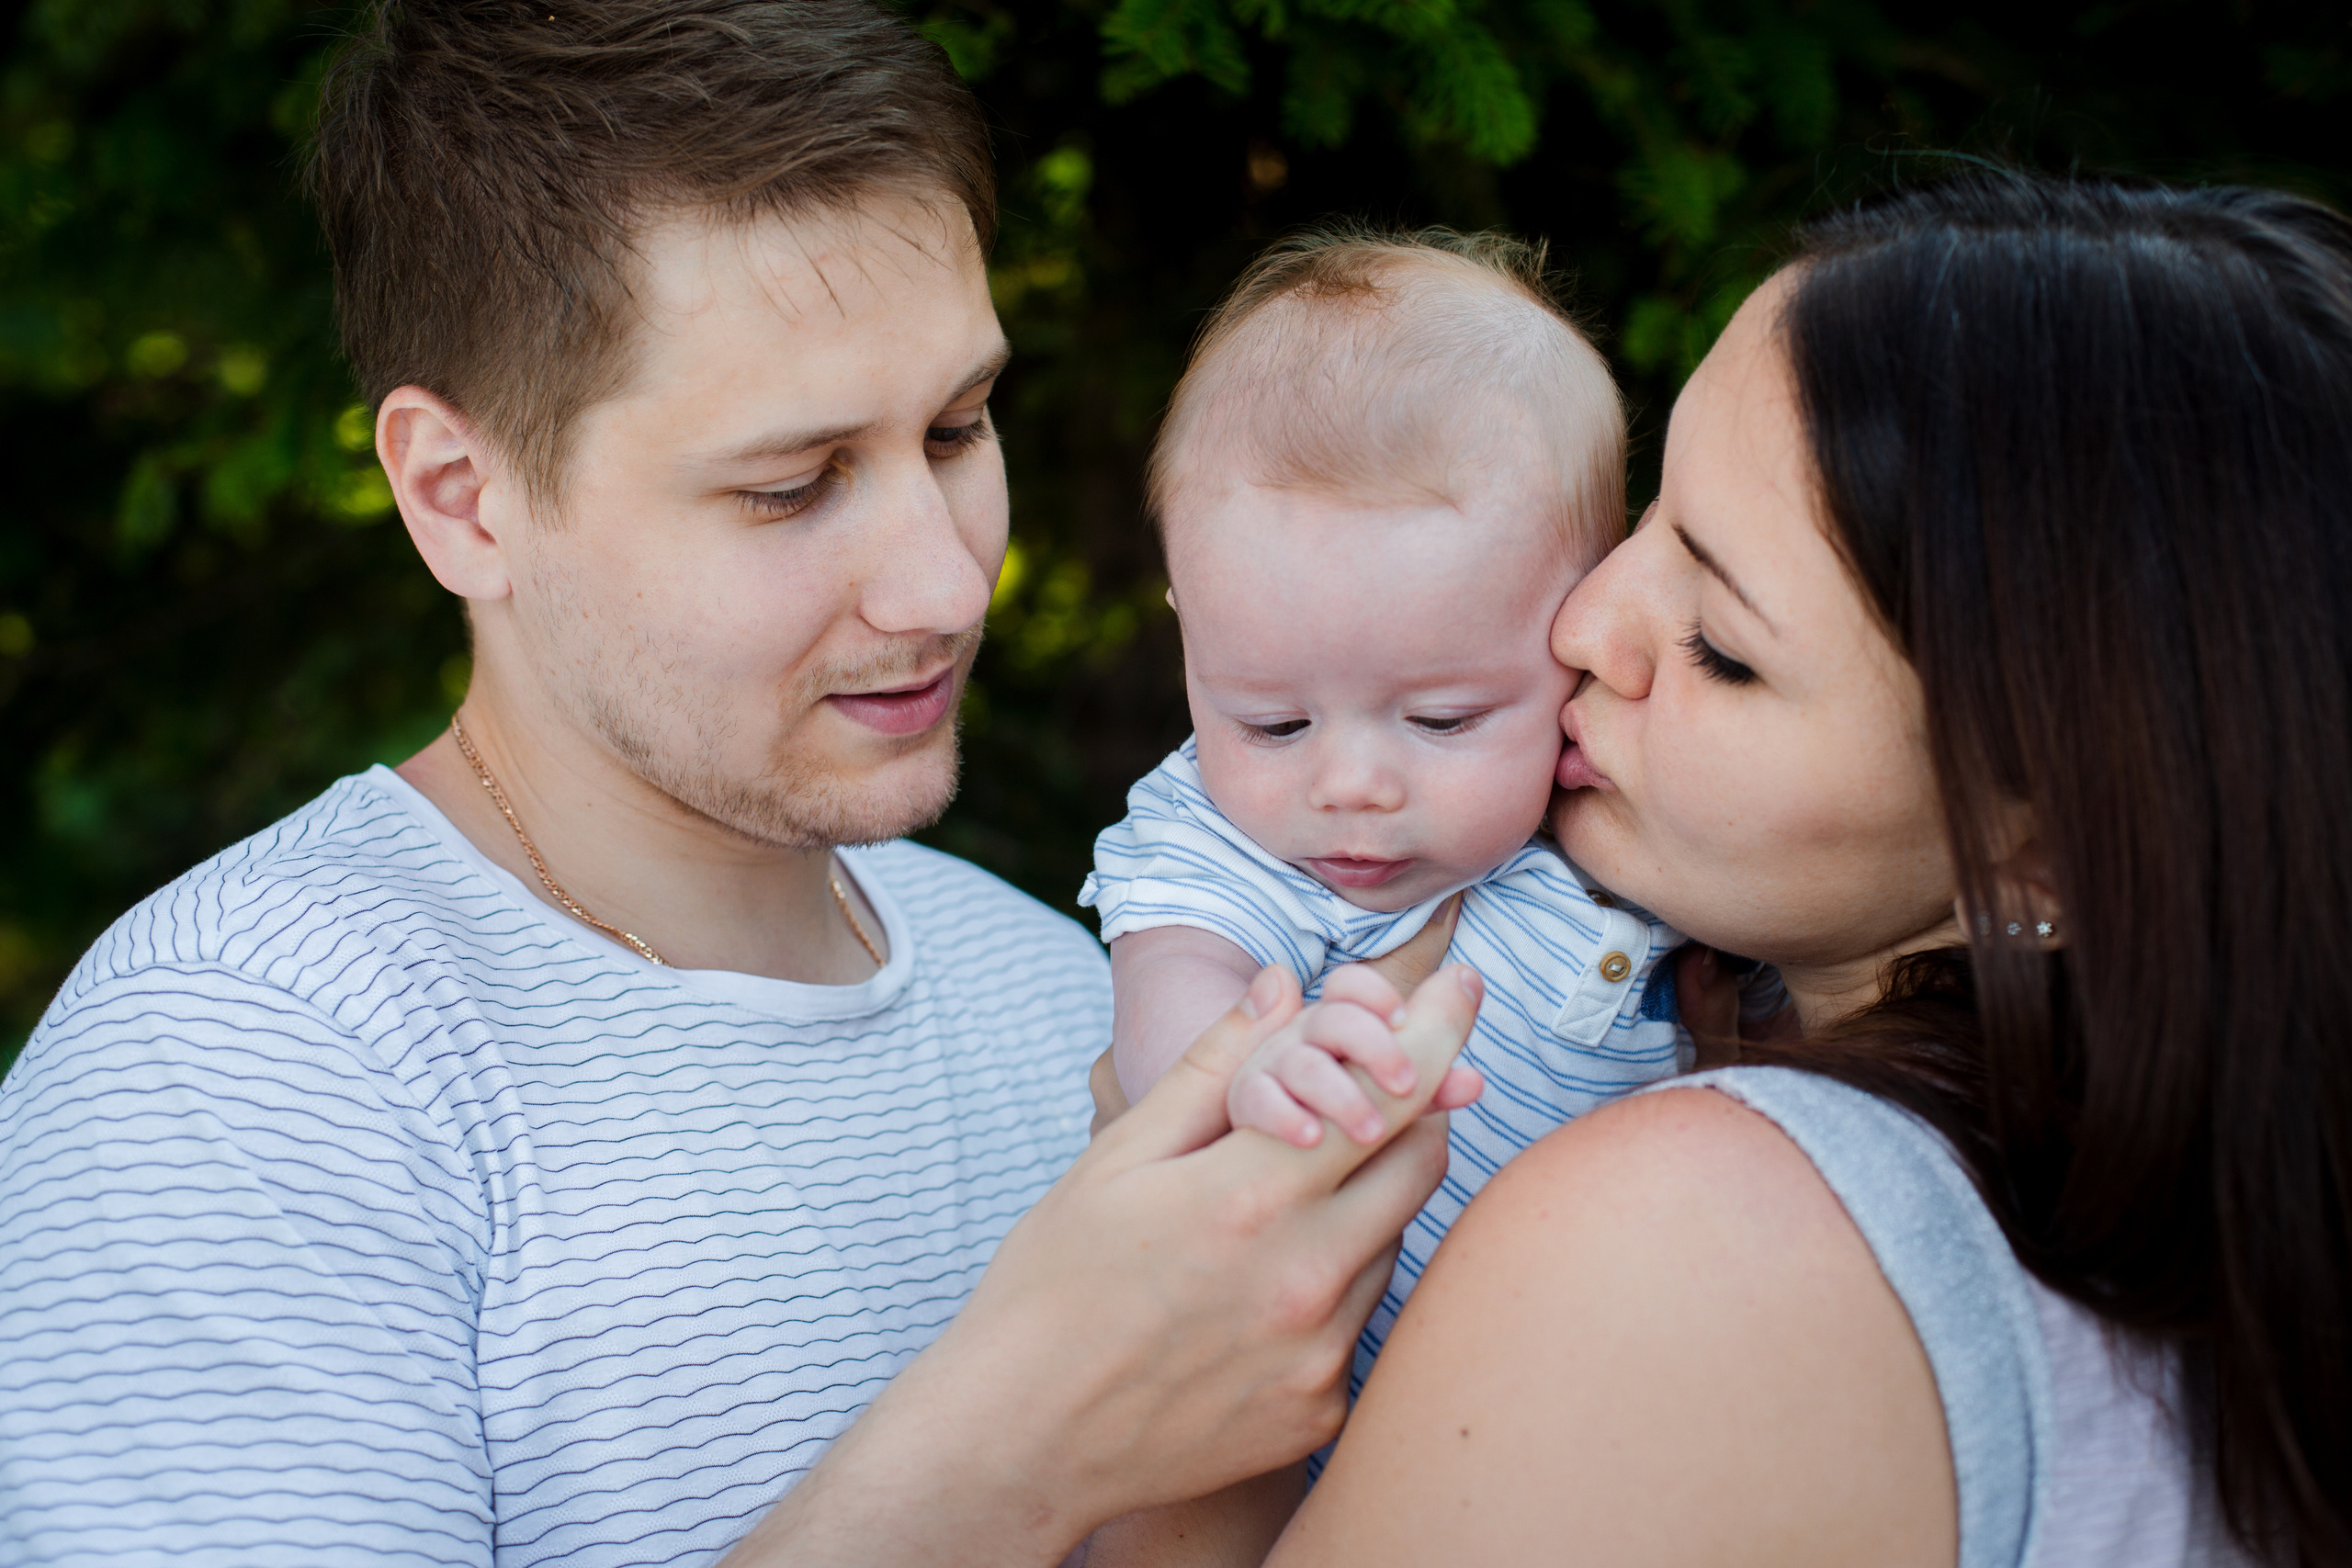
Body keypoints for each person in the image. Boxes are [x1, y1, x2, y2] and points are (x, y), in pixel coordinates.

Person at [0, 4, 1487, 1565]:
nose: (943, 585)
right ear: (465, 499)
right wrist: (1013, 1440)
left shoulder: (1080, 997)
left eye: (959, 426)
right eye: (791, 485)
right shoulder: (248, 1068)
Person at [1218, 175, 2352, 1565]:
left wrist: (1166, 1375)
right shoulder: (2228, 1246)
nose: (1584, 625)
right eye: (1648, 518)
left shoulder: (1705, 1241)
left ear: (2044, 845)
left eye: (1724, 647)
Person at [1079, 227, 1774, 1393]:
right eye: (1273, 723)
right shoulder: (1220, 834)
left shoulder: (1616, 815)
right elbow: (1173, 993)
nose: (1350, 785)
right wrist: (1254, 1069)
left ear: (1575, 631)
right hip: (1296, 1412)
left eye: (1443, 720)